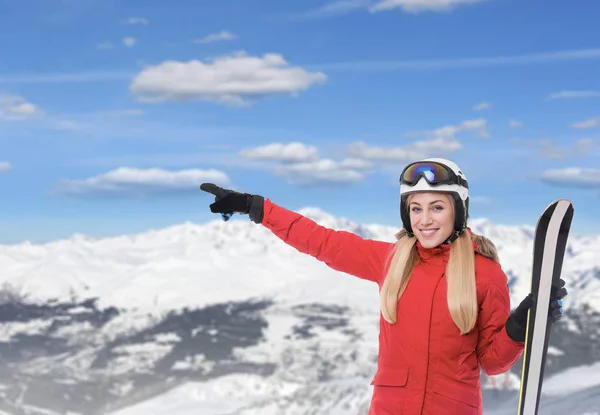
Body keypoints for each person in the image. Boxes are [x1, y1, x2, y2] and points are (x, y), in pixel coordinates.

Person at [199, 157, 567, 415]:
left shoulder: (484, 274)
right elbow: (321, 241)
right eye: (415, 208)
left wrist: (520, 326)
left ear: (458, 210)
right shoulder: (392, 261)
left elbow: (492, 362)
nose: (424, 219)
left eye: (437, 207)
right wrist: (255, 207)